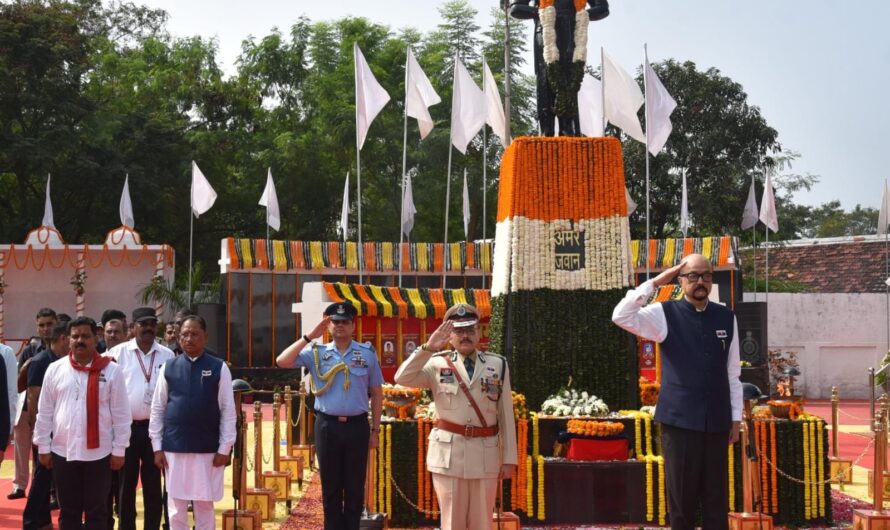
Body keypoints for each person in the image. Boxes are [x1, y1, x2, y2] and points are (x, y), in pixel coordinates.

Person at [612, 254, 742, 530]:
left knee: (716, 500)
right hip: (679, 422)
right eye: (692, 276)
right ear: (681, 280)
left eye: (706, 275)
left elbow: (733, 373)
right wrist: (658, 281)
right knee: (681, 502)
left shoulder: (726, 317)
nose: (700, 282)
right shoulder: (664, 314)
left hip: (717, 423)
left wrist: (735, 418)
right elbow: (621, 315)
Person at [394, 303, 517, 530]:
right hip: (448, 455)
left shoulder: (497, 364)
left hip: (485, 454)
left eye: (470, 330)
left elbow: (505, 414)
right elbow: (402, 377)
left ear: (479, 333)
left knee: (482, 522)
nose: (465, 336)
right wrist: (428, 347)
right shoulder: (436, 363)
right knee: (452, 522)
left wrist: (509, 458)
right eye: (458, 331)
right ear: (449, 336)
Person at [276, 302, 384, 530]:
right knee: (331, 488)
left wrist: (375, 430)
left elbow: (376, 392)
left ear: (353, 326)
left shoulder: (366, 354)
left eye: (345, 322)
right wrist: (309, 337)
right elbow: (282, 361)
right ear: (328, 326)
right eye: (335, 322)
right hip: (327, 426)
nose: (340, 326)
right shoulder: (318, 353)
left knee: (355, 488)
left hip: (357, 426)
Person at [33, 316, 131, 529]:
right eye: (75, 336)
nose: (80, 341)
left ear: (95, 338)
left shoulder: (112, 371)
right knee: (68, 512)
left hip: (100, 454)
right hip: (63, 451)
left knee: (97, 512)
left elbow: (122, 414)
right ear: (68, 340)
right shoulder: (55, 369)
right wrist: (43, 445)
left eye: (85, 336)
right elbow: (45, 411)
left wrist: (119, 449)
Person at [149, 315, 235, 530]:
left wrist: (225, 447)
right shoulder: (168, 367)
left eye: (194, 334)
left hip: (207, 448)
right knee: (176, 507)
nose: (189, 338)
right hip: (174, 448)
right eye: (184, 334)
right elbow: (158, 409)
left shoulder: (219, 368)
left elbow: (228, 410)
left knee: (204, 504)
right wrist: (157, 447)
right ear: (178, 338)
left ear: (205, 336)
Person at [107, 307, 174, 530]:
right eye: (143, 324)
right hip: (126, 429)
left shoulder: (168, 355)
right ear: (132, 327)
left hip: (156, 430)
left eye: (152, 324)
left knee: (154, 485)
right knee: (126, 486)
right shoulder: (116, 354)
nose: (147, 328)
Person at [23, 322, 69, 529]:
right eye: (72, 337)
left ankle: (42, 520)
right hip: (44, 431)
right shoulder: (41, 361)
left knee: (49, 479)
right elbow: (33, 396)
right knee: (42, 478)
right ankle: (32, 521)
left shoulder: (63, 361)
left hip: (59, 430)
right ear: (62, 339)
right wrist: (37, 433)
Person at [11, 308, 57, 501]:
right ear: (37, 327)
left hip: (52, 408)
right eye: (41, 325)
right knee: (21, 448)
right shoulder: (30, 350)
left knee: (49, 451)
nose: (45, 329)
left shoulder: (62, 349)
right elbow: (21, 383)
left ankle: (53, 491)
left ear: (56, 324)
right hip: (27, 406)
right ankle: (20, 485)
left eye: (49, 324)